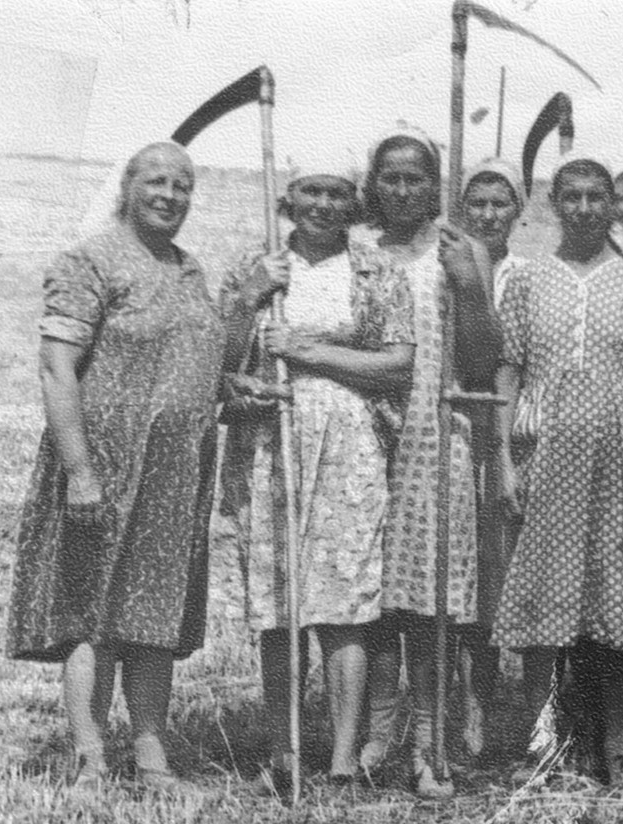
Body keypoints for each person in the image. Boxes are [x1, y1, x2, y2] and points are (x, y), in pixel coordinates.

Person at [7, 142, 225, 793]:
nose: (170, 195)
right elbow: (57, 369)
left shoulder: (189, 269)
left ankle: (153, 760)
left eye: (182, 185)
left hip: (173, 475)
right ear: (127, 186)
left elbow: (197, 365)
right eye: (156, 181)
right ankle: (91, 760)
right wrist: (79, 472)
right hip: (102, 465)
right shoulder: (90, 261)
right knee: (94, 613)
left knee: (155, 615)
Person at [217, 153, 415, 792]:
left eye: (336, 193)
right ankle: (285, 751)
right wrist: (249, 300)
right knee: (279, 604)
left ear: (353, 203)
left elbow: (398, 364)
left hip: (349, 446)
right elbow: (219, 362)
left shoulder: (376, 269)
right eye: (311, 191)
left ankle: (343, 758)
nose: (323, 205)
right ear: (290, 198)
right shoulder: (258, 266)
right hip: (268, 443)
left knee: (343, 602)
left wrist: (307, 351)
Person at [490, 153, 623, 783]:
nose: (586, 208)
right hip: (546, 458)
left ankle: (617, 743)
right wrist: (503, 460)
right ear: (553, 203)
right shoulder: (528, 280)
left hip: (618, 460)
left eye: (598, 196)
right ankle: (545, 745)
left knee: (617, 603)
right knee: (545, 599)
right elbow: (509, 371)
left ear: (612, 204)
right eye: (572, 196)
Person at [359, 128, 503, 797]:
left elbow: (481, 361)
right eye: (389, 177)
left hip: (433, 431)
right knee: (371, 592)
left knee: (428, 597)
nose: (401, 189)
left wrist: (469, 287)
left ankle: (427, 737)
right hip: (364, 428)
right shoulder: (358, 248)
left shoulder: (460, 249)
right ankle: (376, 727)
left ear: (435, 183)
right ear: (374, 183)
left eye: (415, 177)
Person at [453, 156, 529, 758]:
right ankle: (464, 704)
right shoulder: (446, 262)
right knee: (464, 573)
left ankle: (514, 704)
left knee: (503, 572)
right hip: (455, 423)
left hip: (513, 430)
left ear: (517, 211)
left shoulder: (527, 274)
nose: (487, 214)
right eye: (476, 203)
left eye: (499, 203)